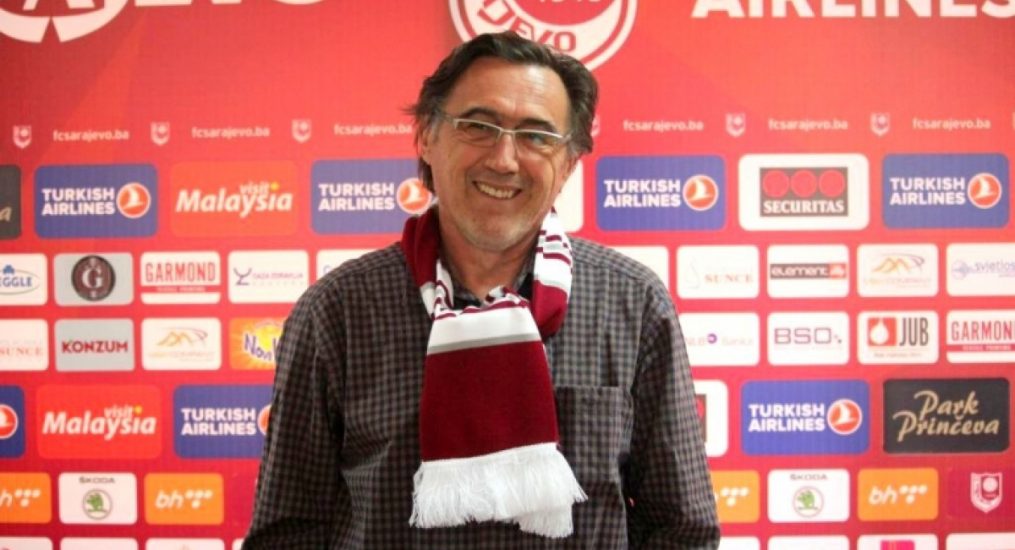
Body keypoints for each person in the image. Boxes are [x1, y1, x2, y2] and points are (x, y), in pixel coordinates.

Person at [244, 31, 719, 549]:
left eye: (536, 136)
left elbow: (682, 530)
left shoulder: (633, 304)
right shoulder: (337, 312)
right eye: (478, 126)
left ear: (568, 164)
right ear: (427, 137)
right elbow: (289, 533)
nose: (504, 160)